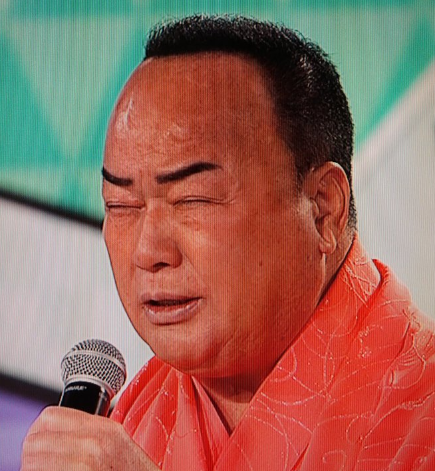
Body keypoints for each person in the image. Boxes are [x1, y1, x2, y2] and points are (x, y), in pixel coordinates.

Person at [21, 15, 435, 471]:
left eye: (192, 198)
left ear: (323, 208)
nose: (148, 253)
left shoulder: (422, 413)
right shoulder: (133, 418)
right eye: (121, 204)